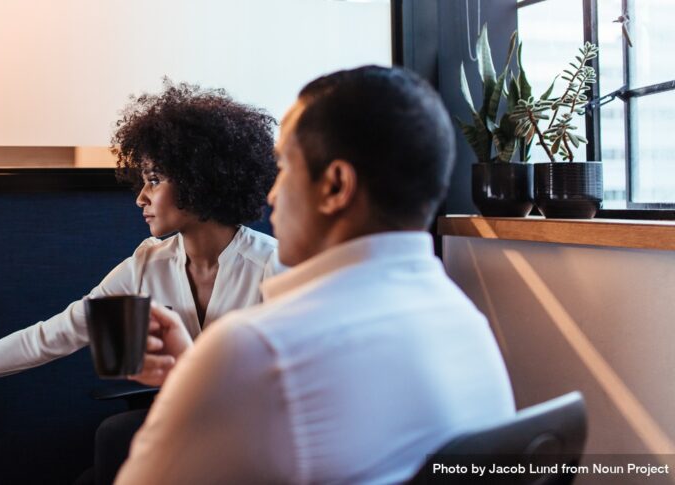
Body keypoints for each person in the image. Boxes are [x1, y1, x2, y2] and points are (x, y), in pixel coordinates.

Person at [116, 66, 516, 484]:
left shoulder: (259, 347)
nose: (272, 195)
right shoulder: (466, 323)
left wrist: (208, 374)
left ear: (335, 186)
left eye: (285, 168)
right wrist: (195, 373)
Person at [0, 80, 281, 393]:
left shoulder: (276, 270)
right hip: (186, 427)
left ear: (202, 179)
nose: (141, 198)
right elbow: (51, 335)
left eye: (155, 179)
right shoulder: (149, 262)